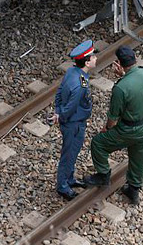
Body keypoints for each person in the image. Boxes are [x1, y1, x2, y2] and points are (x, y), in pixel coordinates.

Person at [83, 46, 143, 205]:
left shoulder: (120, 88)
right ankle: (134, 189)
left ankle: (103, 175)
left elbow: (113, 119)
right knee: (139, 154)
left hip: (130, 129)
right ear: (135, 57)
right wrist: (125, 75)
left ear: (119, 63)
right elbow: (137, 88)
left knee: (98, 143)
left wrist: (106, 129)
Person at [53, 39, 98, 200]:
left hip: (71, 121)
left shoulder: (72, 72)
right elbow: (71, 107)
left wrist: (58, 111)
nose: (95, 58)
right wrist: (62, 116)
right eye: (93, 57)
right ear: (86, 62)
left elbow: (59, 93)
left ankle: (70, 178)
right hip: (74, 124)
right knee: (69, 154)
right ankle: (63, 186)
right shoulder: (81, 85)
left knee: (71, 152)